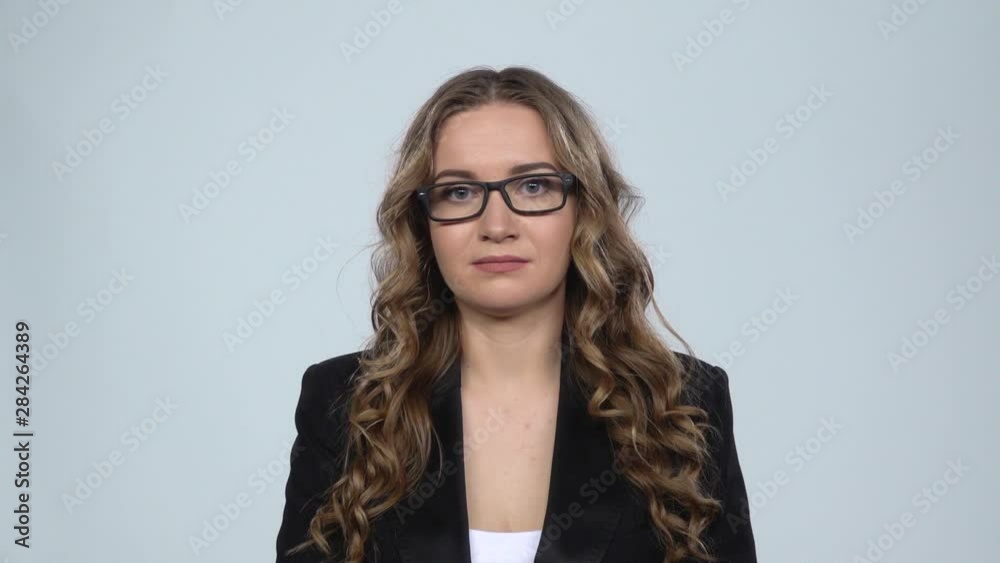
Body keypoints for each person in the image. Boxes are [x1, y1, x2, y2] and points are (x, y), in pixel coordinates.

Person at [275, 65, 757, 563]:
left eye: (533, 186)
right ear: (423, 222)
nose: (496, 225)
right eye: (459, 192)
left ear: (583, 207)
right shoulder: (343, 404)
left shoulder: (682, 404)